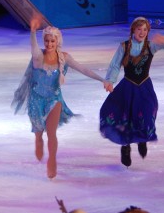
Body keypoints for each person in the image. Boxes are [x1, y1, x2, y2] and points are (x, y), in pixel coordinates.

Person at [12, 15, 105, 179]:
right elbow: (33, 49)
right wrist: (33, 31)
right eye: (47, 41)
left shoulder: (65, 58)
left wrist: (102, 80)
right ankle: (38, 140)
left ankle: (52, 160)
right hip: (36, 99)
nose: (49, 44)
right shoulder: (38, 57)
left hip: (54, 99)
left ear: (58, 42)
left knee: (52, 133)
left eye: (52, 41)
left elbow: (83, 69)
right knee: (40, 132)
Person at [100, 16, 164, 167]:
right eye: (139, 29)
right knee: (125, 119)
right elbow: (115, 65)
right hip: (127, 87)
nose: (142, 32)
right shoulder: (125, 46)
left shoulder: (150, 46)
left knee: (146, 114)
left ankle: (142, 140)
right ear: (133, 30)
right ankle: (125, 148)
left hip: (144, 87)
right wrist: (110, 81)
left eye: (145, 30)